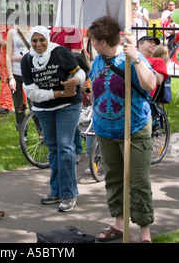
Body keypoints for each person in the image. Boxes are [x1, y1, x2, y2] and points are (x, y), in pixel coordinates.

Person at [87, 16, 156, 243]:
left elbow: (150, 84)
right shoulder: (98, 60)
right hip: (105, 131)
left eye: (94, 41)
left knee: (138, 183)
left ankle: (144, 232)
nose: (92, 45)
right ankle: (119, 224)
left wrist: (136, 57)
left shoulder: (130, 59)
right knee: (114, 179)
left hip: (134, 129)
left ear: (105, 41)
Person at [21, 25, 86, 212]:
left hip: (69, 105)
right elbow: (32, 92)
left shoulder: (60, 52)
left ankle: (69, 193)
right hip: (45, 108)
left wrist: (74, 81)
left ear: (47, 39)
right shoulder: (27, 60)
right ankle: (56, 190)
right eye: (34, 40)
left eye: (42, 40)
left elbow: (80, 72)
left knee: (65, 146)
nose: (38, 44)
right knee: (54, 148)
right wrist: (59, 93)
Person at [50, 27, 84, 160]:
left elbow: (76, 55)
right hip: (54, 74)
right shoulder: (54, 27)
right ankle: (62, 149)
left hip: (69, 74)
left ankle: (76, 149)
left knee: (69, 112)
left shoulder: (73, 29)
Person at [6, 25, 31, 132]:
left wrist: (19, 58)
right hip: (16, 73)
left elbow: (36, 53)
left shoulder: (34, 31)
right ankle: (23, 136)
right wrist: (11, 77)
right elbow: (8, 55)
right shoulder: (12, 32)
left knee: (35, 105)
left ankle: (42, 133)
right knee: (18, 107)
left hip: (30, 74)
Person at [0, 24, 13, 114]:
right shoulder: (3, 20)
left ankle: (20, 104)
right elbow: (2, 41)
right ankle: (6, 104)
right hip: (6, 54)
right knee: (6, 79)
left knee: (21, 78)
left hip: (16, 53)